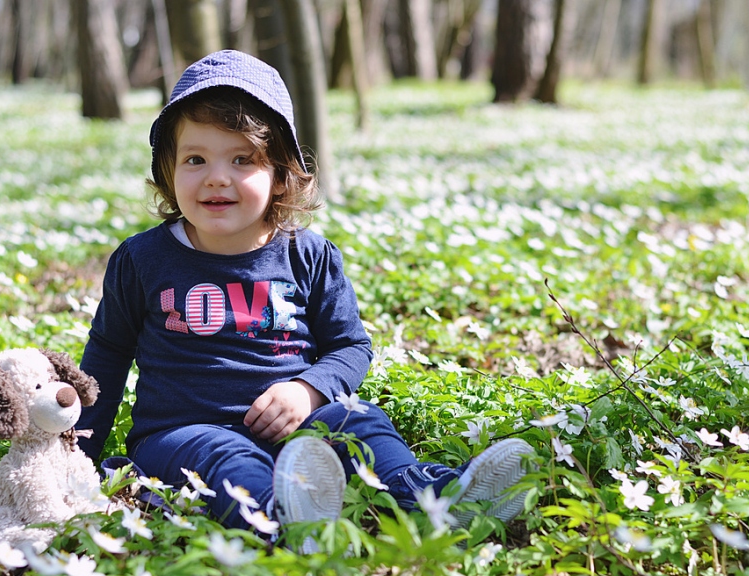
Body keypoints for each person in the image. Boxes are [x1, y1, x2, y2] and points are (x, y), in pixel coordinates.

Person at [75, 49, 532, 538]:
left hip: (299, 429)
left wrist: (309, 390)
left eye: (242, 160)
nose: (216, 176)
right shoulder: (143, 260)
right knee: (224, 457)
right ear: (167, 169)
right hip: (182, 436)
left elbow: (350, 346)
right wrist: (74, 457)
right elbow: (107, 356)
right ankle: (287, 517)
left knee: (360, 420)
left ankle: (434, 497)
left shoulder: (307, 255)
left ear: (279, 174)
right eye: (195, 159)